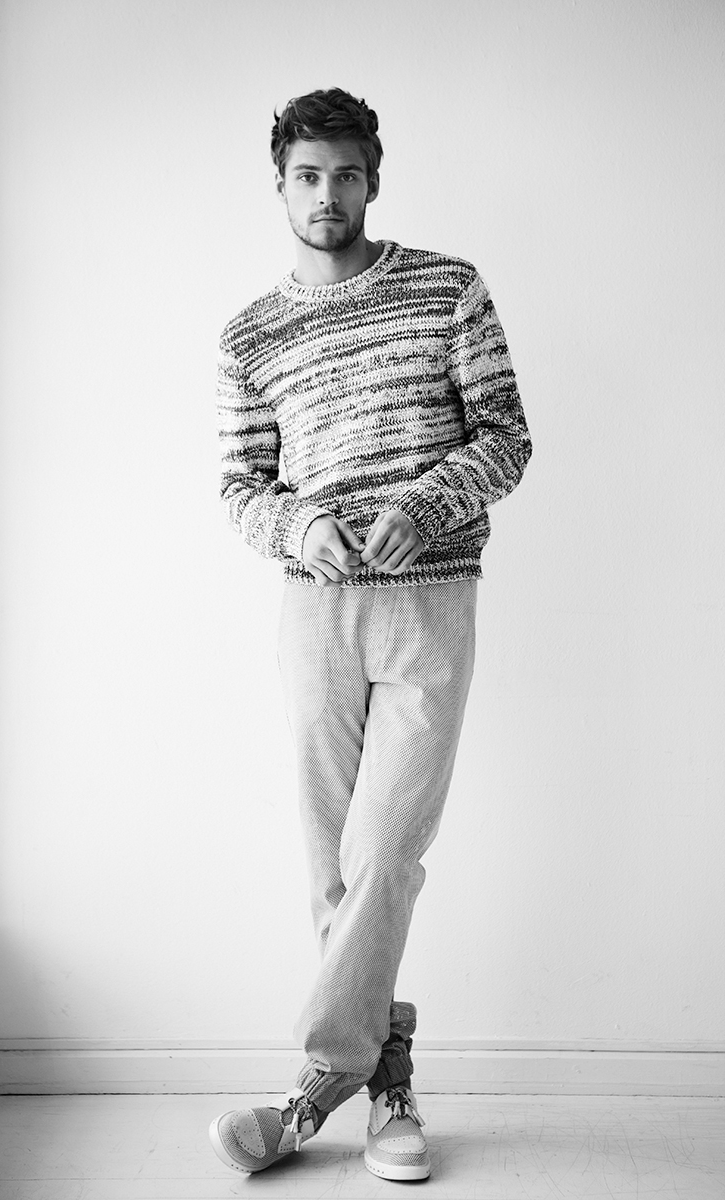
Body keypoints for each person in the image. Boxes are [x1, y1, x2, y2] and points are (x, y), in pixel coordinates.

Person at [209, 87, 531, 1182]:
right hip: (315, 610)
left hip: (430, 602)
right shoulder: (249, 335)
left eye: (345, 174)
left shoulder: (447, 289)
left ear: (372, 180)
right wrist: (300, 524)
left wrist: (426, 507)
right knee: (330, 868)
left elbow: (505, 435)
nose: (327, 194)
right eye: (307, 175)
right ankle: (388, 1079)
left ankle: (314, 1087)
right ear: (280, 185)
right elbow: (240, 485)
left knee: (384, 851)